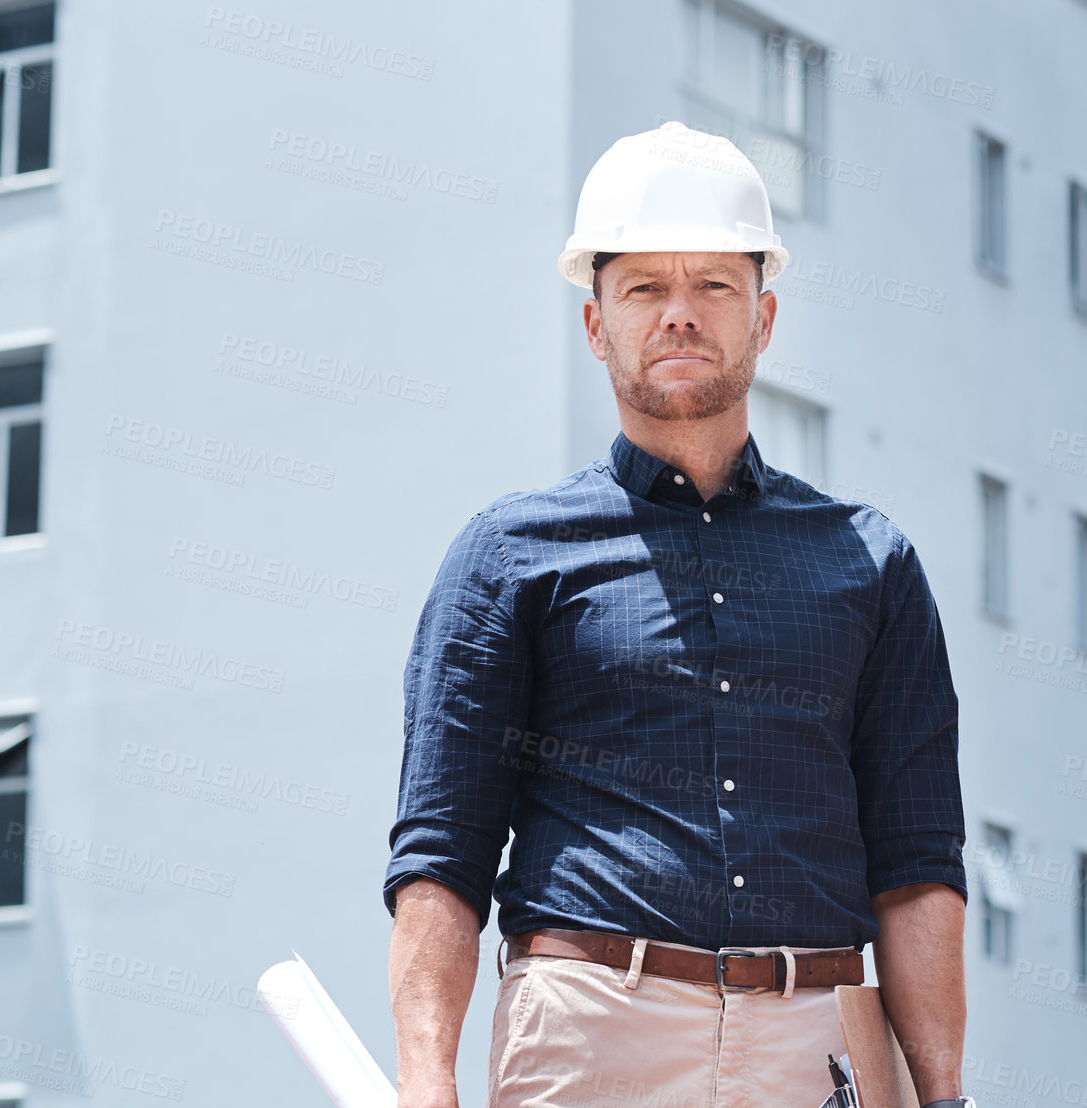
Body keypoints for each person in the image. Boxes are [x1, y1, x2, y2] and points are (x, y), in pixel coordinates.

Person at [382, 121, 969, 1108]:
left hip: (817, 1045)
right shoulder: (508, 557)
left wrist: (945, 1094)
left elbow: (916, 865)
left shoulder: (869, 562)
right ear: (596, 323)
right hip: (589, 1037)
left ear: (766, 317)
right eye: (645, 287)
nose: (680, 315)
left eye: (714, 286)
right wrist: (423, 1080)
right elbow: (442, 855)